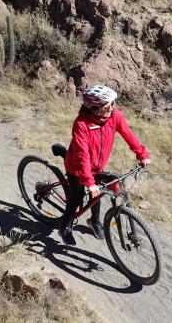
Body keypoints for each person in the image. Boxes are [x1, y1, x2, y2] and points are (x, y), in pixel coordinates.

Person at [58, 85, 151, 245]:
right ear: (95, 108)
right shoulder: (81, 124)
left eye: (113, 104)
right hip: (77, 167)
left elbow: (128, 135)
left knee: (100, 191)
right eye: (108, 107)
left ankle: (94, 222)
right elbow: (82, 155)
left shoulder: (114, 116)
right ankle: (64, 227)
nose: (112, 109)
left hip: (97, 166)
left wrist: (142, 154)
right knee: (76, 199)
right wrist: (89, 182)